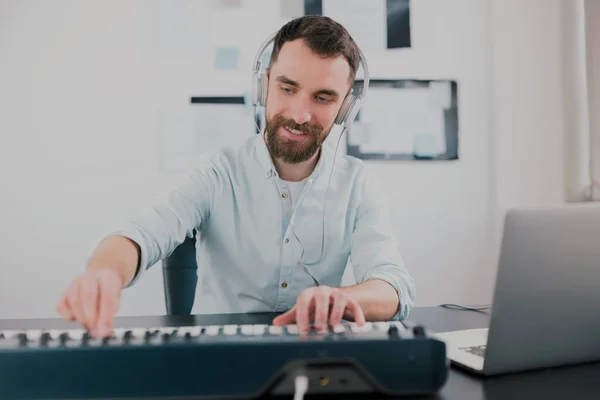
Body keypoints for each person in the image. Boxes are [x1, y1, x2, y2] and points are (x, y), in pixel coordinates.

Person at [56, 15, 415, 338]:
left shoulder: (358, 183)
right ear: (264, 86)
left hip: (312, 360)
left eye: (322, 97)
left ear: (344, 108)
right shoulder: (218, 172)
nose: (300, 114)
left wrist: (341, 298)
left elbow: (393, 287)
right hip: (217, 360)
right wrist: (104, 272)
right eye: (287, 89)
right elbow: (143, 232)